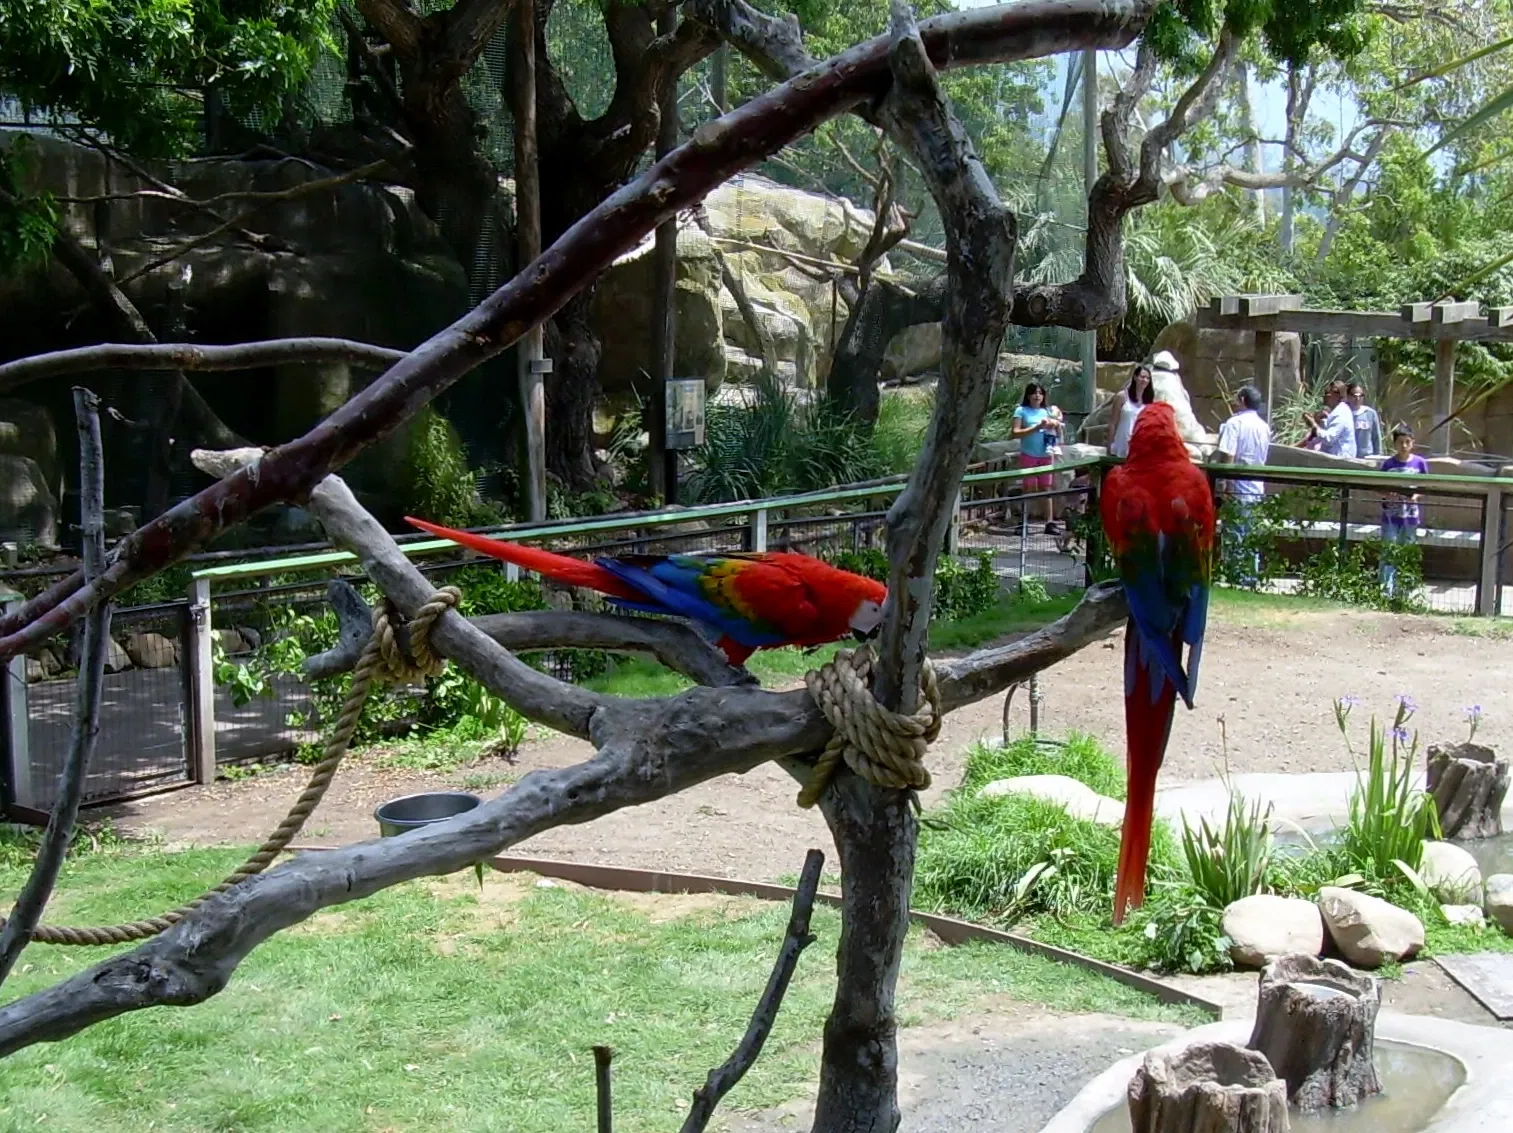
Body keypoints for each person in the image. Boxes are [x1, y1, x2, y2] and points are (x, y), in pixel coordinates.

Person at [1212, 385, 1271, 587]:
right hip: (1256, 488)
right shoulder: (1264, 427)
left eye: (1236, 398)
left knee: (1236, 536)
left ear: (1243, 400)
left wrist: (1222, 484)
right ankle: (1250, 579)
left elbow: (1227, 455)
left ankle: (1236, 578)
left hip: (1237, 488)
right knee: (1251, 538)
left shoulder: (1234, 424)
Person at [1379, 425, 1429, 599]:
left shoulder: (1420, 463)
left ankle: (1405, 591)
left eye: (1407, 442)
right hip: (1391, 516)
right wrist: (1388, 494)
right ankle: (1386, 591)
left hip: (1410, 515)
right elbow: (1379, 487)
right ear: (1395, 444)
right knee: (1389, 552)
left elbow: (1426, 485)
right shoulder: (1388, 464)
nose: (1404, 446)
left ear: (1413, 443)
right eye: (1400, 442)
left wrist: (1415, 495)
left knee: (1407, 551)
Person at [1011, 382, 1063, 533]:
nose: (1037, 395)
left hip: (1046, 454)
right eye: (1034, 392)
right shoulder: (1021, 411)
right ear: (1028, 395)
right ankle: (1024, 522)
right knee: (1028, 488)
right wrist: (1036, 428)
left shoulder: (1047, 411)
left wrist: (1056, 426)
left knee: (1047, 488)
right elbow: (1015, 432)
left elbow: (1058, 430)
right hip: (1029, 454)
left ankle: (1050, 522)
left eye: (1040, 393)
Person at [1109, 364, 1154, 459]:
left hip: (1138, 447)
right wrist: (1110, 445)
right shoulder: (1122, 396)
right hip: (1121, 444)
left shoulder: (1149, 402)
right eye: (1142, 377)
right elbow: (1113, 423)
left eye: (1147, 378)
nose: (1144, 380)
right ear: (1135, 377)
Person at [1303, 379, 1357, 459]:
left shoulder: (1341, 413)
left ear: (1337, 395)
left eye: (1328, 393)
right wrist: (1317, 422)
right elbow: (1317, 438)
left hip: (1341, 462)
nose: (1325, 396)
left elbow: (1329, 439)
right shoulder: (1334, 412)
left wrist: (1313, 425)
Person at [1348, 382, 1384, 458]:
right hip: (1349, 456)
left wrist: (1378, 455)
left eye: (1360, 396)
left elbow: (1376, 437)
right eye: (1354, 396)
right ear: (1348, 396)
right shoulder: (1344, 413)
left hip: (1367, 457)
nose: (1357, 399)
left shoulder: (1370, 413)